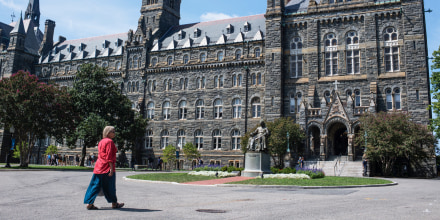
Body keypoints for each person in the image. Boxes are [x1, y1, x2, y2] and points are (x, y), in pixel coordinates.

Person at [83, 126, 124, 210]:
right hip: (106, 167)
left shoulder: (101, 141)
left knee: (94, 185)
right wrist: (111, 169)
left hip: (99, 166)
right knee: (110, 186)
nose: (114, 133)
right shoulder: (109, 142)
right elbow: (109, 156)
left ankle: (89, 203)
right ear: (108, 132)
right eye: (113, 131)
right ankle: (114, 203)